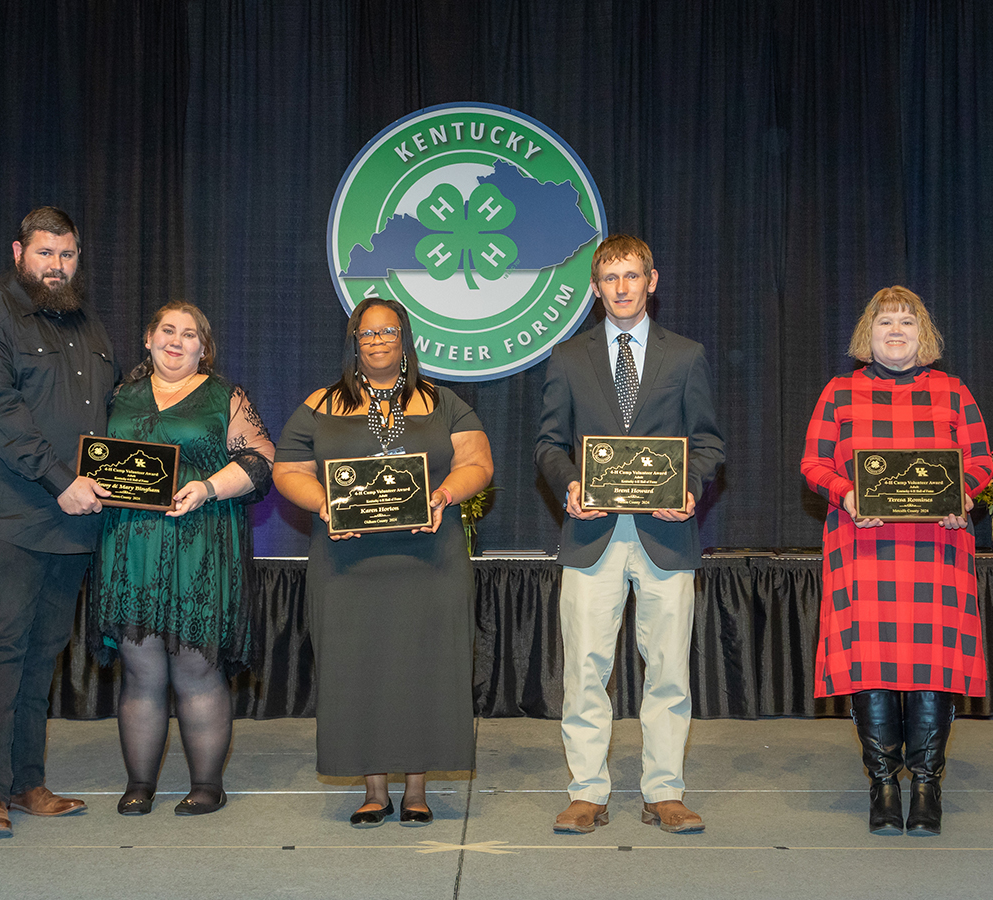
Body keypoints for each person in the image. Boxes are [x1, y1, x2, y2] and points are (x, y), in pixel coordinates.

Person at [273, 298, 493, 827]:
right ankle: (373, 789)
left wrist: (441, 496)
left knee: (426, 667)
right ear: (354, 340)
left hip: (430, 561)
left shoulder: (442, 402)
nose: (375, 340)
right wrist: (323, 503)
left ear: (404, 338)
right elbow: (287, 468)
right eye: (365, 332)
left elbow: (477, 462)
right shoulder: (321, 404)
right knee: (355, 667)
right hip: (347, 564)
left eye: (386, 331)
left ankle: (416, 788)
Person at [535, 234, 724, 835]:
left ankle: (665, 792)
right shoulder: (567, 358)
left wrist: (690, 488)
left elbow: (709, 441)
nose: (621, 288)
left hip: (667, 535)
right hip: (591, 534)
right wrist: (569, 484)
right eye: (610, 279)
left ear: (652, 281)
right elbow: (548, 444)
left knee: (668, 670)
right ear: (596, 288)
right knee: (585, 670)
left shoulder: (688, 355)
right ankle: (587, 791)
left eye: (632, 276)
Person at [0, 206, 120, 838]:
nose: (57, 266)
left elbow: (111, 411)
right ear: (19, 252)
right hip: (7, 517)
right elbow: (0, 412)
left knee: (41, 656)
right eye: (46, 253)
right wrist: (60, 481)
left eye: (68, 254)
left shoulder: (85, 320)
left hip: (72, 523)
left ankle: (26, 782)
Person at [800, 286, 993, 837]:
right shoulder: (839, 392)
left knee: (934, 664)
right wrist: (846, 493)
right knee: (871, 662)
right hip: (863, 545)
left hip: (939, 546)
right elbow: (813, 461)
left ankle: (927, 784)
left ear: (922, 335)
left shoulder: (953, 391)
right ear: (869, 332)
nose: (896, 330)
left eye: (907, 322)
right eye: (886, 321)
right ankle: (884, 783)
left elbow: (981, 460)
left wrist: (965, 497)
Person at [95, 302, 274, 816]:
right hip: (130, 547)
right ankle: (140, 784)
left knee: (195, 667)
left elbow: (263, 461)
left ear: (203, 347)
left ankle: (206, 785)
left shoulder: (225, 397)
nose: (177, 341)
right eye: (167, 331)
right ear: (148, 339)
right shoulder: (118, 396)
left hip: (201, 543)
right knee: (140, 670)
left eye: (189, 334)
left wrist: (209, 487)